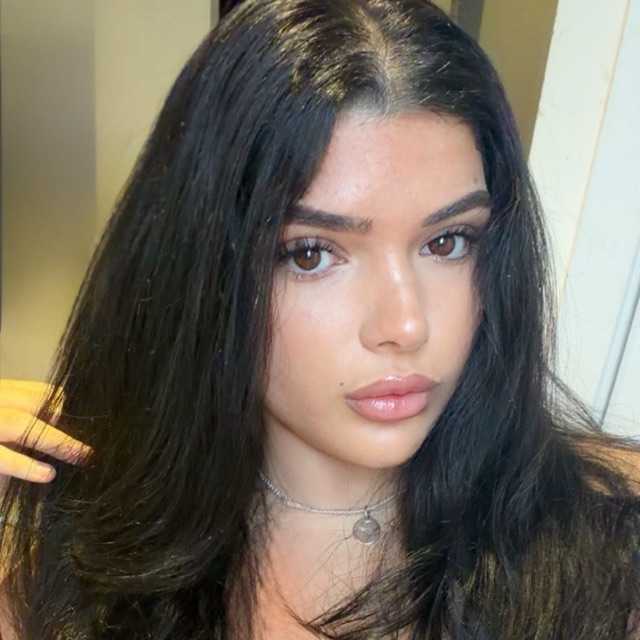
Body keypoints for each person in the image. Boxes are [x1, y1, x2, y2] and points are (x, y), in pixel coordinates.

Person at [0, 1, 639, 638]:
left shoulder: (605, 562)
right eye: (311, 254)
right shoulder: (77, 556)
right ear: (203, 272)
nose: (405, 325)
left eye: (447, 243)